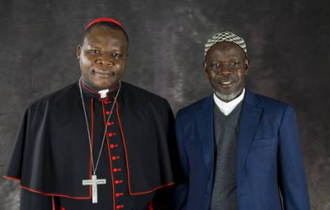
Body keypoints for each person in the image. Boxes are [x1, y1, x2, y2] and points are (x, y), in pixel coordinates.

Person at [4, 17, 176, 210]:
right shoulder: (43, 113)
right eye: (95, 51)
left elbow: (167, 191)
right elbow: (35, 196)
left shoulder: (154, 109)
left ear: (126, 58)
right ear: (79, 52)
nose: (106, 61)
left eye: (116, 54)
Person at [173, 31, 310, 210]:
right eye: (215, 64)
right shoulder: (186, 118)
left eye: (234, 63)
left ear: (246, 65)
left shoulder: (278, 115)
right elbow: (180, 185)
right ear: (205, 67)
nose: (225, 71)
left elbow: (295, 186)